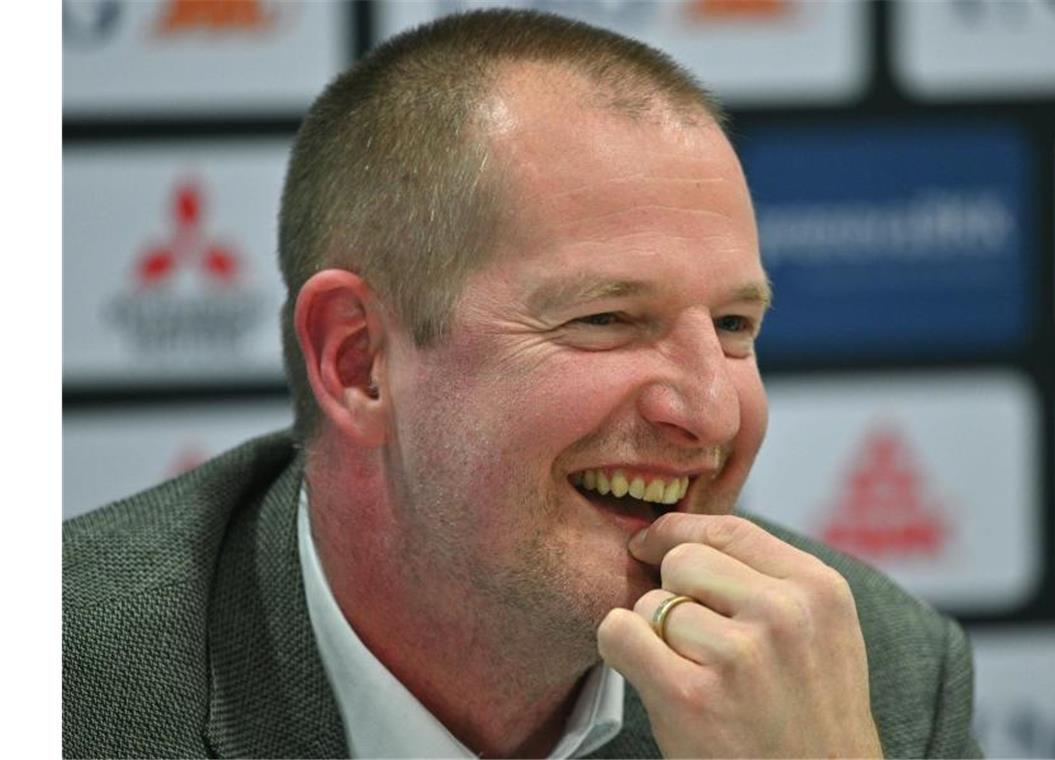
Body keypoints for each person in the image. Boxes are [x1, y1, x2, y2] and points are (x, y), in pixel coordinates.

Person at [63, 9, 982, 759]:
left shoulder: (873, 680)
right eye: (606, 320)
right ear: (359, 362)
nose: (708, 411)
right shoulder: (63, 680)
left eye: (736, 327)